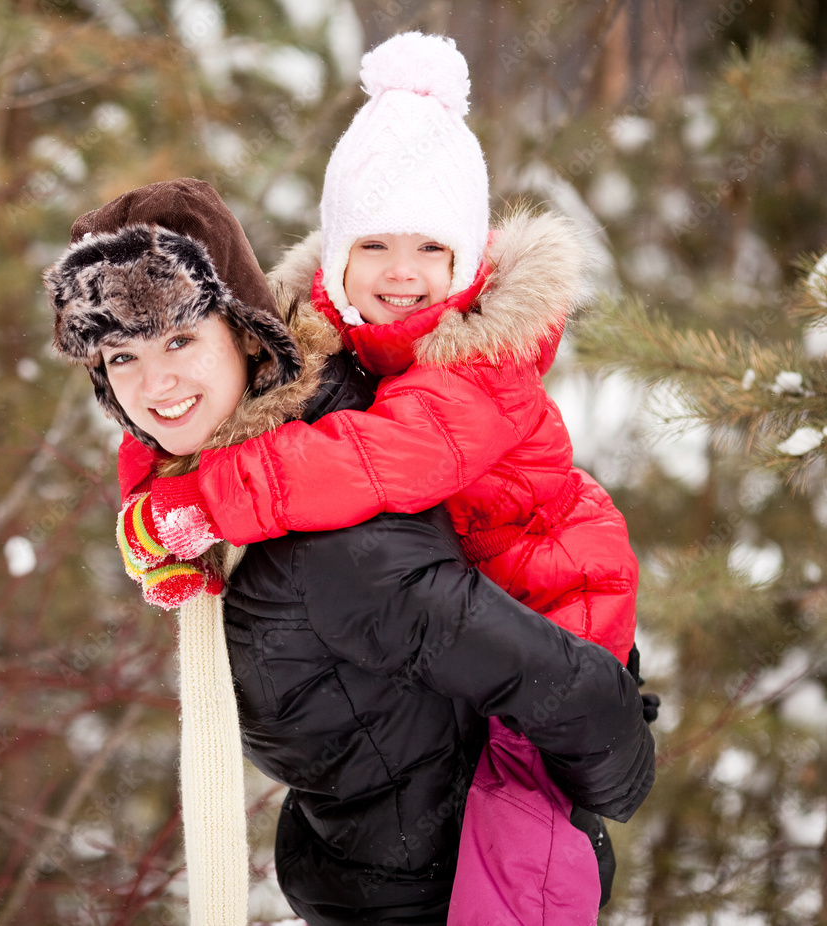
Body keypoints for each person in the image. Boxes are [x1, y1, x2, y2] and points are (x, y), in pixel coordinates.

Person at [113, 33, 648, 921]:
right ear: (335, 257)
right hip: (466, 646)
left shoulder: (477, 369)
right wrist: (151, 489)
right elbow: (212, 405)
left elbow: (365, 462)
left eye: (432, 250)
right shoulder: (328, 335)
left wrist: (202, 502)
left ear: (469, 261)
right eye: (375, 244)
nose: (403, 275)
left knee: (516, 866)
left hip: (559, 613)